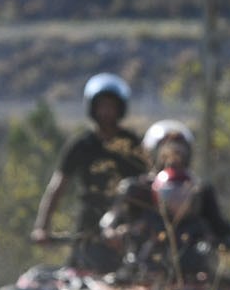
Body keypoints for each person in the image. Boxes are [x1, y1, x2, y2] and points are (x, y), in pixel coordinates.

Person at [32, 73, 153, 271]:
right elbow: (58, 187)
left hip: (128, 228)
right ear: (93, 108)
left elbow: (150, 184)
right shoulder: (81, 145)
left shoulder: (132, 144)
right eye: (101, 106)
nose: (106, 112)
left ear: (120, 108)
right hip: (89, 228)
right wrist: (42, 227)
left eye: (111, 106)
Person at [142, 118, 230, 281]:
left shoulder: (201, 190)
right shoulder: (138, 190)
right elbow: (116, 223)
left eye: (179, 152)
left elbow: (218, 224)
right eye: (167, 153)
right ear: (154, 154)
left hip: (198, 274)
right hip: (146, 275)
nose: (174, 158)